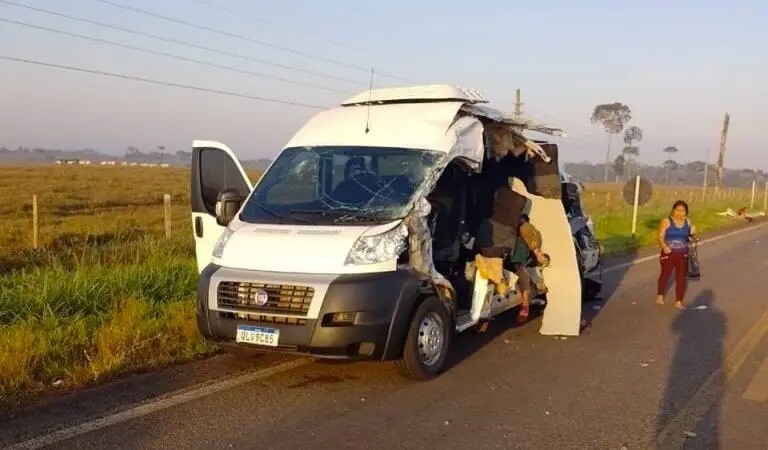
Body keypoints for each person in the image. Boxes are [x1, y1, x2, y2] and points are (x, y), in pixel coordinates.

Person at [656, 200, 697, 309]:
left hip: (683, 253)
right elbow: (660, 236)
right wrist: (665, 247)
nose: (680, 213)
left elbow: (689, 236)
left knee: (681, 277)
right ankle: (660, 294)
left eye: (683, 211)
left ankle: (679, 301)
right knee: (666, 274)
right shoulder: (667, 221)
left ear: (686, 212)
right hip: (669, 252)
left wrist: (692, 232)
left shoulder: (688, 222)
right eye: (678, 210)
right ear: (673, 210)